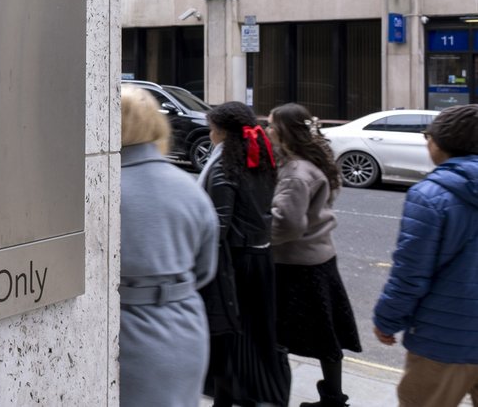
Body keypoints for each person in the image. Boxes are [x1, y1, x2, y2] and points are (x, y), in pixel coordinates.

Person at [118, 86, 219, 407]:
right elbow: (205, 269)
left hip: (128, 333)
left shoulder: (102, 191)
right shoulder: (188, 187)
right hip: (186, 327)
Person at [373, 103, 478, 407]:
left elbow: (411, 273)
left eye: (427, 137)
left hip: (443, 345)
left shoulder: (430, 196)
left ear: (441, 144)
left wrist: (386, 320)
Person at [267, 103, 362, 407]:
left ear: (284, 131)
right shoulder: (314, 160)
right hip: (320, 259)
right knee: (326, 335)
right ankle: (333, 398)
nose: (267, 130)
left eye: (271, 125)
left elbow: (287, 224)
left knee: (279, 336)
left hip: (296, 264)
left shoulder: (296, 172)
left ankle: (274, 396)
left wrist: (257, 230)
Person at [198, 101, 290, 407]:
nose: (209, 134)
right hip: (261, 257)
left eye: (211, 129)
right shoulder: (261, 157)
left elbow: (218, 223)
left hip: (236, 262)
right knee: (253, 337)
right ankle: (246, 397)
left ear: (221, 131)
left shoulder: (226, 165)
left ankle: (226, 400)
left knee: (230, 336)